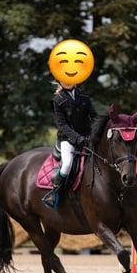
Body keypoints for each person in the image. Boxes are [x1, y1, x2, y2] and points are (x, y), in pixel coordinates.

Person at [46, 39, 98, 204]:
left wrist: (97, 130)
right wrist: (78, 139)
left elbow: (94, 116)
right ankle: (55, 194)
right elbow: (62, 125)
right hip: (68, 140)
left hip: (87, 138)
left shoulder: (83, 96)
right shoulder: (58, 100)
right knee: (67, 165)